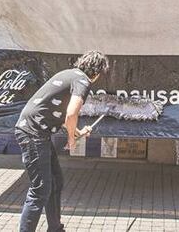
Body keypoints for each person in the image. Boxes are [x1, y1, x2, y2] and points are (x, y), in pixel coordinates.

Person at [15, 51, 110, 232]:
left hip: (36, 132)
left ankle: (56, 228)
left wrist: (77, 131)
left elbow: (59, 112)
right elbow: (71, 113)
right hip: (33, 133)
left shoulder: (69, 74)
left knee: (55, 181)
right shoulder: (83, 81)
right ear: (97, 73)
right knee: (40, 189)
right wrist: (71, 139)